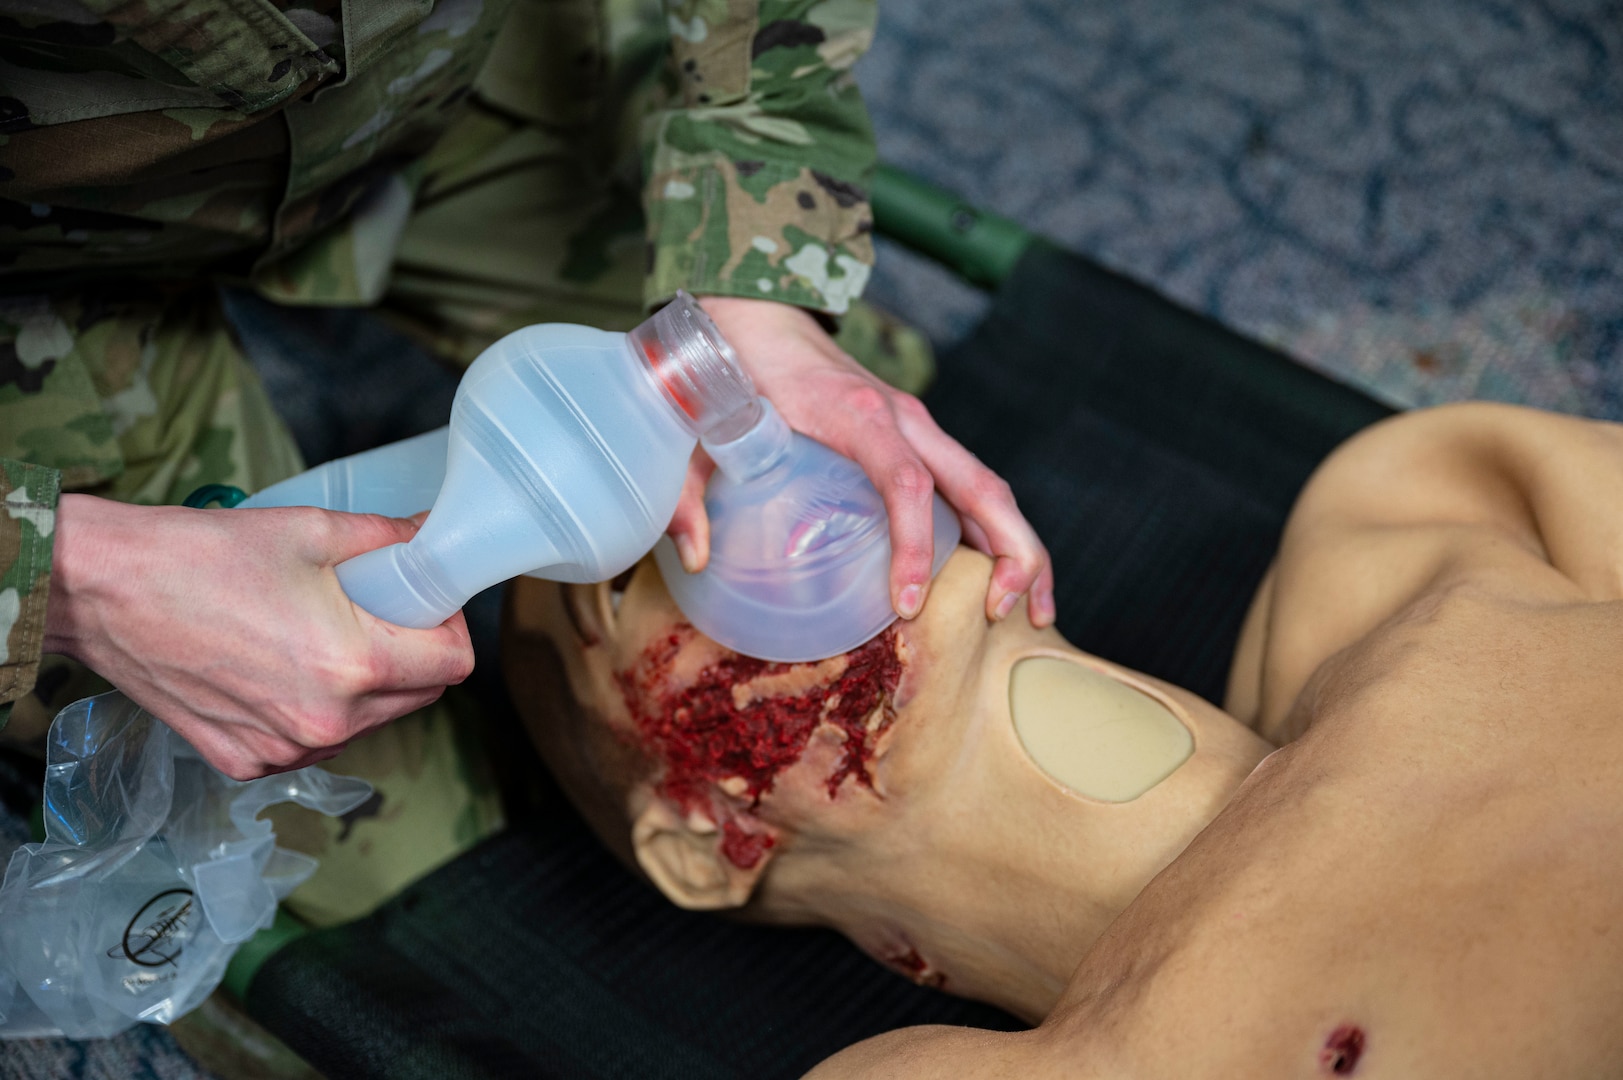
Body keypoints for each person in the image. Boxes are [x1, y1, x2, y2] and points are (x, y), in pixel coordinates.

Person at [0, 0, 1051, 795]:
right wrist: (78, 578)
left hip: (422, 77)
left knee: (869, 416)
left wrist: (757, 285)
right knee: (215, 773)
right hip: (43, 230)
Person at [504, 400, 1623, 1076]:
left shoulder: (1405, 535)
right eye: (632, 564)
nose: (759, 495)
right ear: (706, 837)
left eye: (743, 443)